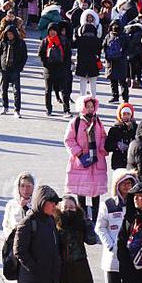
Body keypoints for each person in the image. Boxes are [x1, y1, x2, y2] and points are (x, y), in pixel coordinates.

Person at [13, 184, 63, 283]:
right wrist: (35, 268)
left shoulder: (50, 220)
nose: (55, 206)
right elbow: (19, 250)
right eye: (52, 202)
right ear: (42, 202)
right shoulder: (28, 222)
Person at [95, 169, 139, 283]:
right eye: (123, 183)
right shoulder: (108, 205)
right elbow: (100, 227)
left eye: (129, 183)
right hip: (112, 258)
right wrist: (111, 246)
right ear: (116, 185)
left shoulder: (137, 204)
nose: (127, 186)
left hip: (132, 258)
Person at [64, 95, 109, 223]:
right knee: (81, 192)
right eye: (87, 106)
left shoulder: (98, 121)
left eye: (91, 106)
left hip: (96, 161)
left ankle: (96, 219)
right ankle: (82, 218)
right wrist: (78, 153)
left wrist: (102, 149)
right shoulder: (75, 122)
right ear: (82, 107)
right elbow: (69, 140)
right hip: (81, 161)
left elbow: (103, 137)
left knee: (96, 193)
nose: (90, 109)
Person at [57, 195, 97, 283]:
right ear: (60, 208)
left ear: (76, 208)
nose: (68, 209)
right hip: (61, 269)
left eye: (71, 206)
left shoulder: (81, 222)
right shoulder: (54, 223)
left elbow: (92, 240)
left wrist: (88, 223)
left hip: (80, 268)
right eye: (65, 207)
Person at [0, 23, 28, 117]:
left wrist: (21, 67)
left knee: (16, 90)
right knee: (3, 89)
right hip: (4, 69)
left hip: (15, 69)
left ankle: (17, 110)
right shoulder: (3, 42)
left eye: (11, 34)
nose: (9, 36)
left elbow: (24, 56)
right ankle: (5, 106)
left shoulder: (21, 43)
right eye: (8, 34)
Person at [40, 23, 72, 116]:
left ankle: (66, 110)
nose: (52, 32)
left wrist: (65, 66)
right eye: (50, 30)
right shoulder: (45, 41)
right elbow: (40, 54)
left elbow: (68, 54)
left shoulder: (63, 41)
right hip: (49, 70)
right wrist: (45, 64)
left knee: (64, 90)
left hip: (61, 69)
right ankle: (48, 109)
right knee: (48, 90)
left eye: (54, 30)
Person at [103, 22, 130, 104]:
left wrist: (107, 56)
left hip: (111, 61)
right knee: (122, 81)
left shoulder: (109, 36)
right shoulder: (124, 36)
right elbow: (128, 48)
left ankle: (115, 96)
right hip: (121, 61)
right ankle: (125, 98)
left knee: (113, 80)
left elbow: (104, 45)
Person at [105, 103, 137, 170]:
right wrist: (117, 145)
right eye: (124, 114)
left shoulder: (135, 128)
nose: (126, 116)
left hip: (132, 163)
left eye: (128, 114)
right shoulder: (114, 129)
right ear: (120, 115)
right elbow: (107, 146)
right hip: (118, 163)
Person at [2, 171, 34, 236]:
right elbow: (6, 225)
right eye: (22, 186)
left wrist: (25, 207)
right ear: (18, 187)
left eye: (29, 186)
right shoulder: (11, 204)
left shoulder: (37, 204)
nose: (25, 189)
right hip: (14, 242)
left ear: (33, 187)